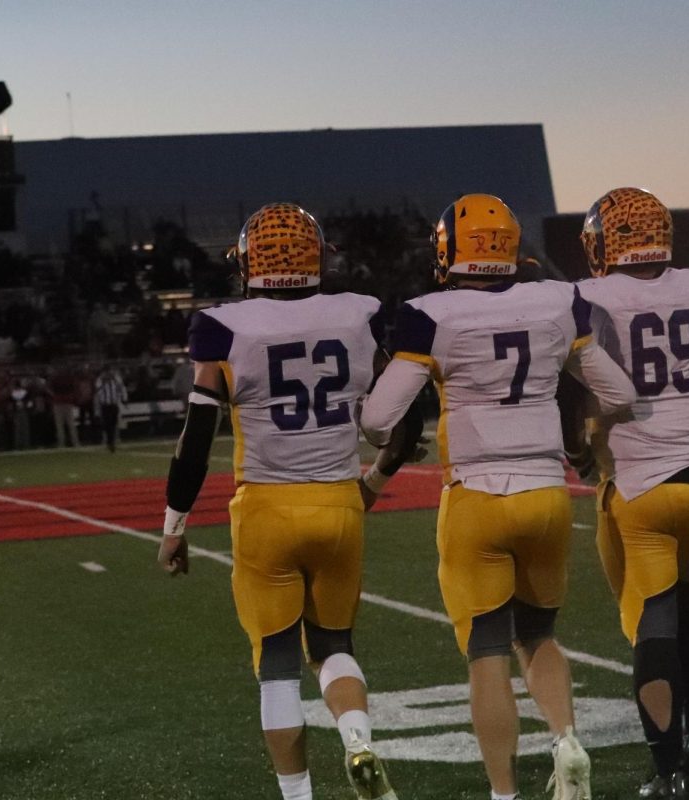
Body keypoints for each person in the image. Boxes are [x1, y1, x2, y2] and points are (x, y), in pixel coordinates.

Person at [361, 193, 637, 800]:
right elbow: (618, 396)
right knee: (539, 635)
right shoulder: (558, 301)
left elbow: (380, 419)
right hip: (545, 493)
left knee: (487, 651)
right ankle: (566, 741)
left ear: (448, 251)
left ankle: (504, 793)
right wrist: (581, 422)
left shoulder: (431, 313)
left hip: (477, 497)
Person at [157, 202, 421, 800]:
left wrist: (173, 525)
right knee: (333, 646)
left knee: (276, 664)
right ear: (316, 259)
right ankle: (357, 740)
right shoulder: (362, 313)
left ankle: (298, 795)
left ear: (249, 263)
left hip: (267, 509)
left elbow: (196, 439)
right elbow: (408, 412)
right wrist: (374, 482)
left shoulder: (224, 326)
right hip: (338, 504)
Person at [564, 188, 689, 799]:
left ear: (601, 244)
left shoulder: (587, 297)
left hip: (645, 483)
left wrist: (578, 450)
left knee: (656, 626)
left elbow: (565, 384)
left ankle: (667, 768)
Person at [94, 366, 127, 451]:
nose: (108, 373)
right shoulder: (100, 380)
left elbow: (122, 388)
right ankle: (110, 442)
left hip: (114, 404)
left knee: (114, 423)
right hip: (105, 405)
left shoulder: (116, 379)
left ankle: (113, 440)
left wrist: (124, 399)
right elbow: (98, 392)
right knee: (107, 424)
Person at [51, 368, 81, 448]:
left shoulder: (56, 378)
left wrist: (54, 395)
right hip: (65, 402)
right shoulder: (67, 378)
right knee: (70, 424)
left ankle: (62, 444)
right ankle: (74, 443)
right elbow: (75, 388)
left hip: (60, 403)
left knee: (61, 425)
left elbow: (48, 388)